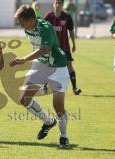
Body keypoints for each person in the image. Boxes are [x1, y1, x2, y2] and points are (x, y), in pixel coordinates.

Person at [10, 4, 70, 147]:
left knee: (58, 107)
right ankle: (49, 122)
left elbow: (44, 49)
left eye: (21, 22)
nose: (20, 25)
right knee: (24, 98)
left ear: (30, 20)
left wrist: (24, 59)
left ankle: (64, 136)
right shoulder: (29, 26)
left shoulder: (45, 28)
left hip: (58, 66)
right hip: (41, 64)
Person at [44, 0, 81, 95]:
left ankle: (75, 88)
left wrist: (73, 43)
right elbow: (42, 29)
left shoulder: (67, 17)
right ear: (53, 4)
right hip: (51, 47)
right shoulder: (49, 16)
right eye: (55, 3)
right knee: (48, 65)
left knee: (69, 65)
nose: (57, 5)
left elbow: (71, 30)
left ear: (62, 4)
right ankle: (44, 86)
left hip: (64, 47)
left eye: (59, 3)